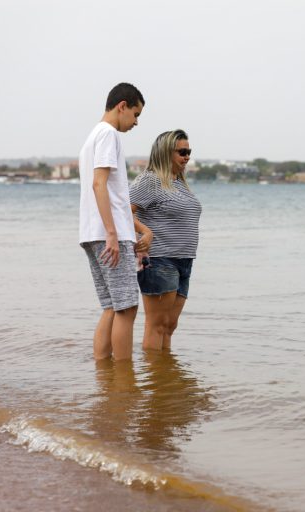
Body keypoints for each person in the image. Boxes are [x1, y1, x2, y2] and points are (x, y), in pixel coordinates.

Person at [79, 83, 151, 360]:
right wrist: (112, 233)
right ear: (122, 106)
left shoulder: (92, 137)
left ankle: (104, 375)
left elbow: (102, 189)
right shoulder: (108, 134)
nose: (136, 122)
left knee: (111, 306)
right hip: (108, 234)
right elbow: (100, 184)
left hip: (91, 232)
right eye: (135, 114)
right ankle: (124, 381)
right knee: (126, 307)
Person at [130, 129, 201, 351]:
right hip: (160, 260)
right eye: (182, 151)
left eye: (189, 151)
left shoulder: (179, 182)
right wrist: (145, 232)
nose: (187, 156)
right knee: (157, 325)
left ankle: (166, 379)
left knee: (170, 325)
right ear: (165, 152)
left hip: (184, 261)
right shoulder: (150, 181)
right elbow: (122, 210)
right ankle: (155, 381)